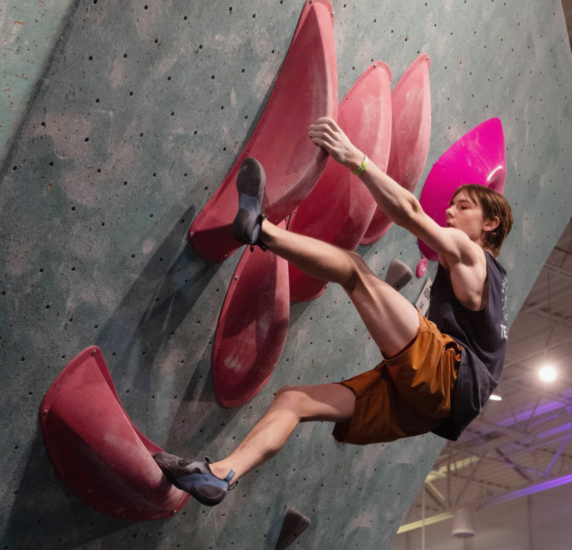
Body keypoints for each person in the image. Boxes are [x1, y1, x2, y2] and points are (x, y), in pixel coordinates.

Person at [153, 117, 514, 506]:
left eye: (462, 207)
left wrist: (356, 159)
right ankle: (222, 475)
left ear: (490, 223)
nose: (449, 213)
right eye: (450, 206)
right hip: (431, 410)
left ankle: (259, 230)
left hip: (447, 376)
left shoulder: (472, 254)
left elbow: (410, 211)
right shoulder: (492, 289)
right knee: (294, 401)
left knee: (354, 270)